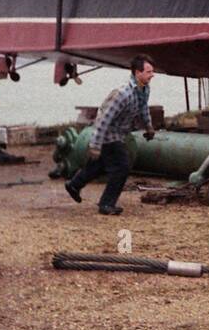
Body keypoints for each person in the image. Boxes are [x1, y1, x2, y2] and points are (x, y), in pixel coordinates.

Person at [64, 54, 157, 215]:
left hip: (120, 133)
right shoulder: (122, 94)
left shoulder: (144, 89)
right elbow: (103, 120)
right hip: (109, 134)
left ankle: (74, 185)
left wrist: (149, 126)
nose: (152, 75)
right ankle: (106, 204)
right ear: (137, 73)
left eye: (152, 71)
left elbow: (143, 108)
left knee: (99, 165)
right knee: (122, 167)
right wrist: (95, 145)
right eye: (148, 72)